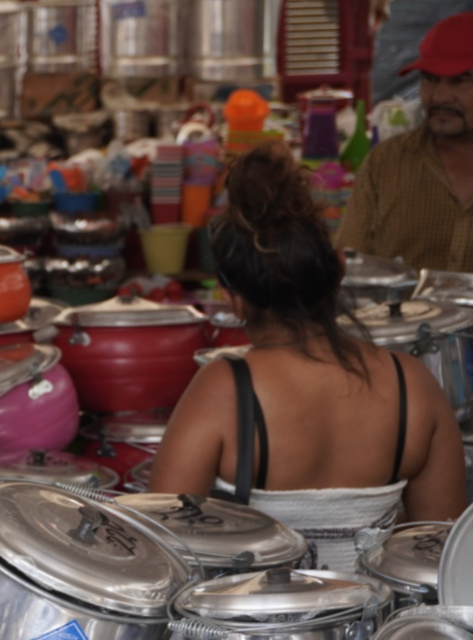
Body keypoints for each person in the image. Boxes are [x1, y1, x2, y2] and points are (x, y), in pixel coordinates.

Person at [152, 142, 466, 571]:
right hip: (379, 635)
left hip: (256, 637)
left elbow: (158, 551)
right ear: (338, 270)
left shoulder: (223, 390)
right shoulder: (412, 384)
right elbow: (442, 560)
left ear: (236, 301)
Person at [338, 11, 473, 272]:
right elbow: (351, 268)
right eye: (430, 79)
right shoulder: (385, 164)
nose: (441, 96)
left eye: (460, 81)